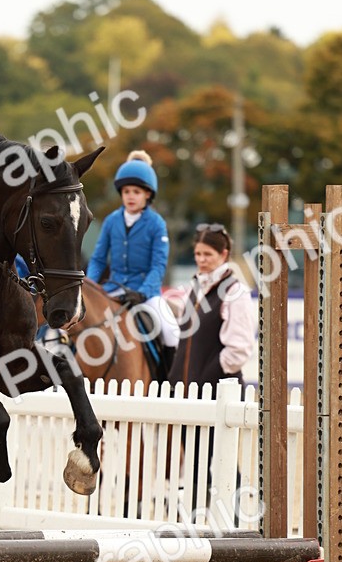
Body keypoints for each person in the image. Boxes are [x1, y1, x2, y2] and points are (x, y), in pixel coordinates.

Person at [85, 149, 179, 375]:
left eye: (136, 191)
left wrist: (143, 292)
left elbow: (158, 266)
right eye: (126, 191)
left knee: (171, 331)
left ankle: (169, 382)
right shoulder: (111, 221)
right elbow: (98, 259)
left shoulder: (157, 224)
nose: (130, 196)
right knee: (83, 325)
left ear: (148, 194)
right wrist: (88, 288)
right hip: (112, 291)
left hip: (146, 295)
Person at [167, 224, 255, 391]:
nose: (201, 259)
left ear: (224, 254)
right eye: (198, 254)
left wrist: (208, 378)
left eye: (207, 254)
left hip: (218, 393)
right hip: (186, 393)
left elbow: (239, 350)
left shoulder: (236, 292)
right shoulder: (194, 288)